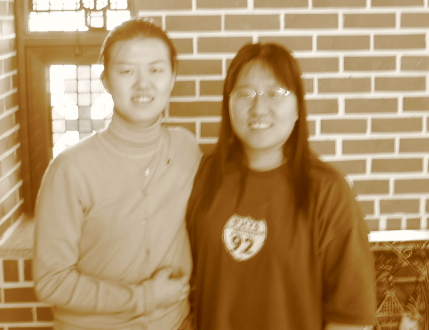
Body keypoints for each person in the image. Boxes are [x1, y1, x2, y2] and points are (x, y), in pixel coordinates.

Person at [186, 42, 377, 330]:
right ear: (228, 105)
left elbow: (349, 316)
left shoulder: (328, 191)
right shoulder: (201, 178)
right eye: (245, 93)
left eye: (275, 94)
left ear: (298, 106)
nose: (259, 108)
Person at [34, 18, 202, 330]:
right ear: (106, 81)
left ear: (173, 77)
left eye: (156, 70)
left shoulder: (186, 149)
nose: (143, 84)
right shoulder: (71, 169)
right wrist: (145, 297)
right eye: (126, 71)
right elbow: (51, 281)